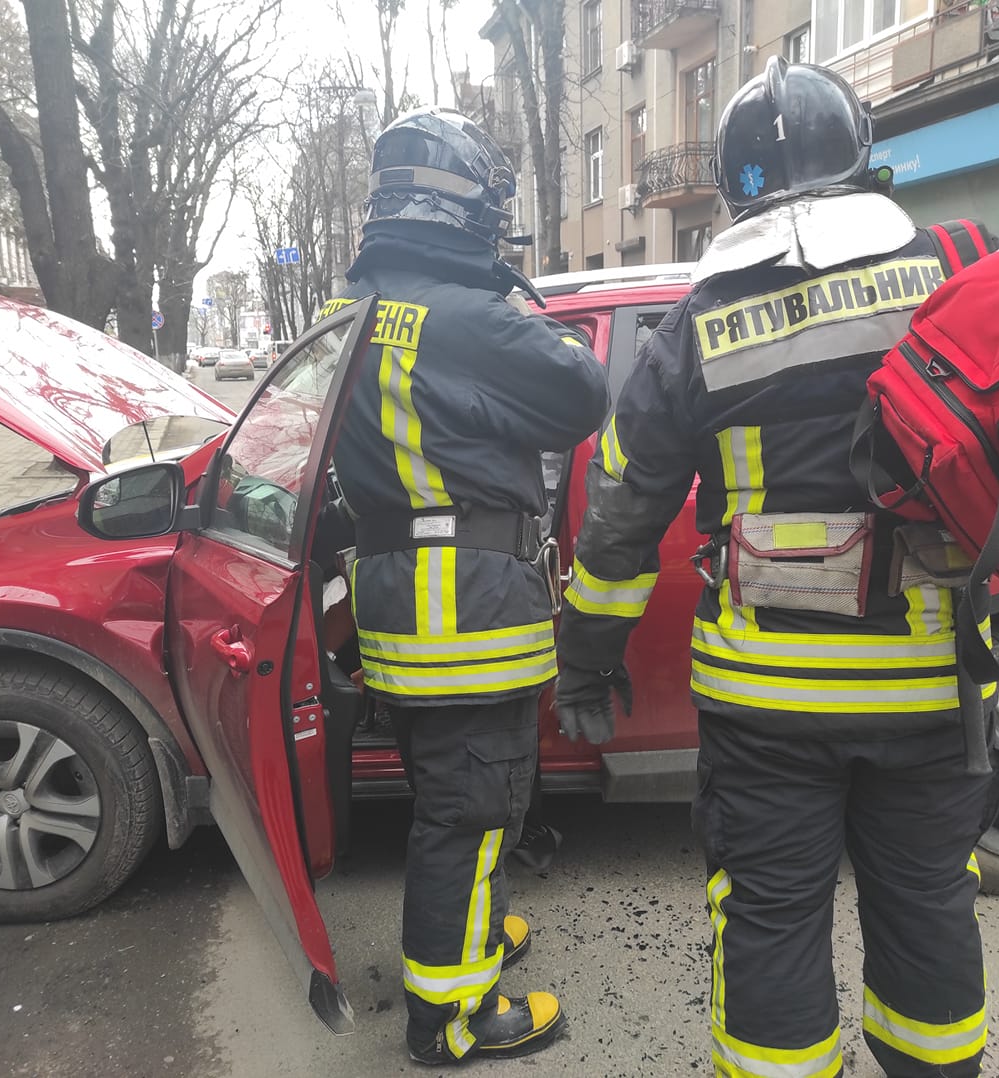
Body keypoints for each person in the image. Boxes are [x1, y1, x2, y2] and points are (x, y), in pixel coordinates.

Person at [554, 58, 999, 1078]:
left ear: (734, 186)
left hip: (766, 708)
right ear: (863, 158)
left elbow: (623, 509)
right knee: (931, 911)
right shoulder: (960, 267)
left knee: (766, 922)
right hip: (935, 692)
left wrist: (587, 654)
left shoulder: (699, 323)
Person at [328, 107, 609, 1066]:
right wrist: (503, 298)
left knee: (456, 801)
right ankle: (449, 1018)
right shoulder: (466, 318)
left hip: (407, 610)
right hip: (469, 617)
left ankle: (472, 938)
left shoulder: (360, 308)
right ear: (467, 212)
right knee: (470, 813)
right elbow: (582, 391)